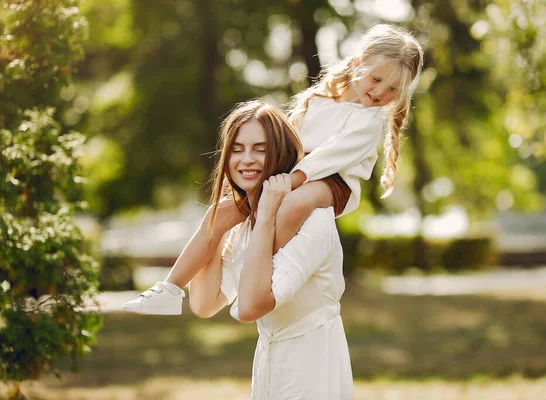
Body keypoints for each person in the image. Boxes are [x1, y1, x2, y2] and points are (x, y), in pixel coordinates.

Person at [123, 23, 423, 315]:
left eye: (393, 88)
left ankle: (259, 280)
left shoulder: (367, 121)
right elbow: (289, 141)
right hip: (295, 172)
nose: (380, 92)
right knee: (222, 210)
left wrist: (284, 183)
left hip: (333, 183)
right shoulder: (321, 99)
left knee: (294, 203)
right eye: (375, 79)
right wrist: (264, 181)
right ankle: (169, 289)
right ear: (358, 63)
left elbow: (327, 159)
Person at [178, 100, 355, 398]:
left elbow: (250, 306)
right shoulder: (247, 223)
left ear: (282, 155)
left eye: (260, 149)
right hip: (270, 370)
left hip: (313, 371)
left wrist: (268, 216)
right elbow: (205, 304)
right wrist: (217, 227)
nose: (247, 159)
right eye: (237, 149)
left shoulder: (313, 220)